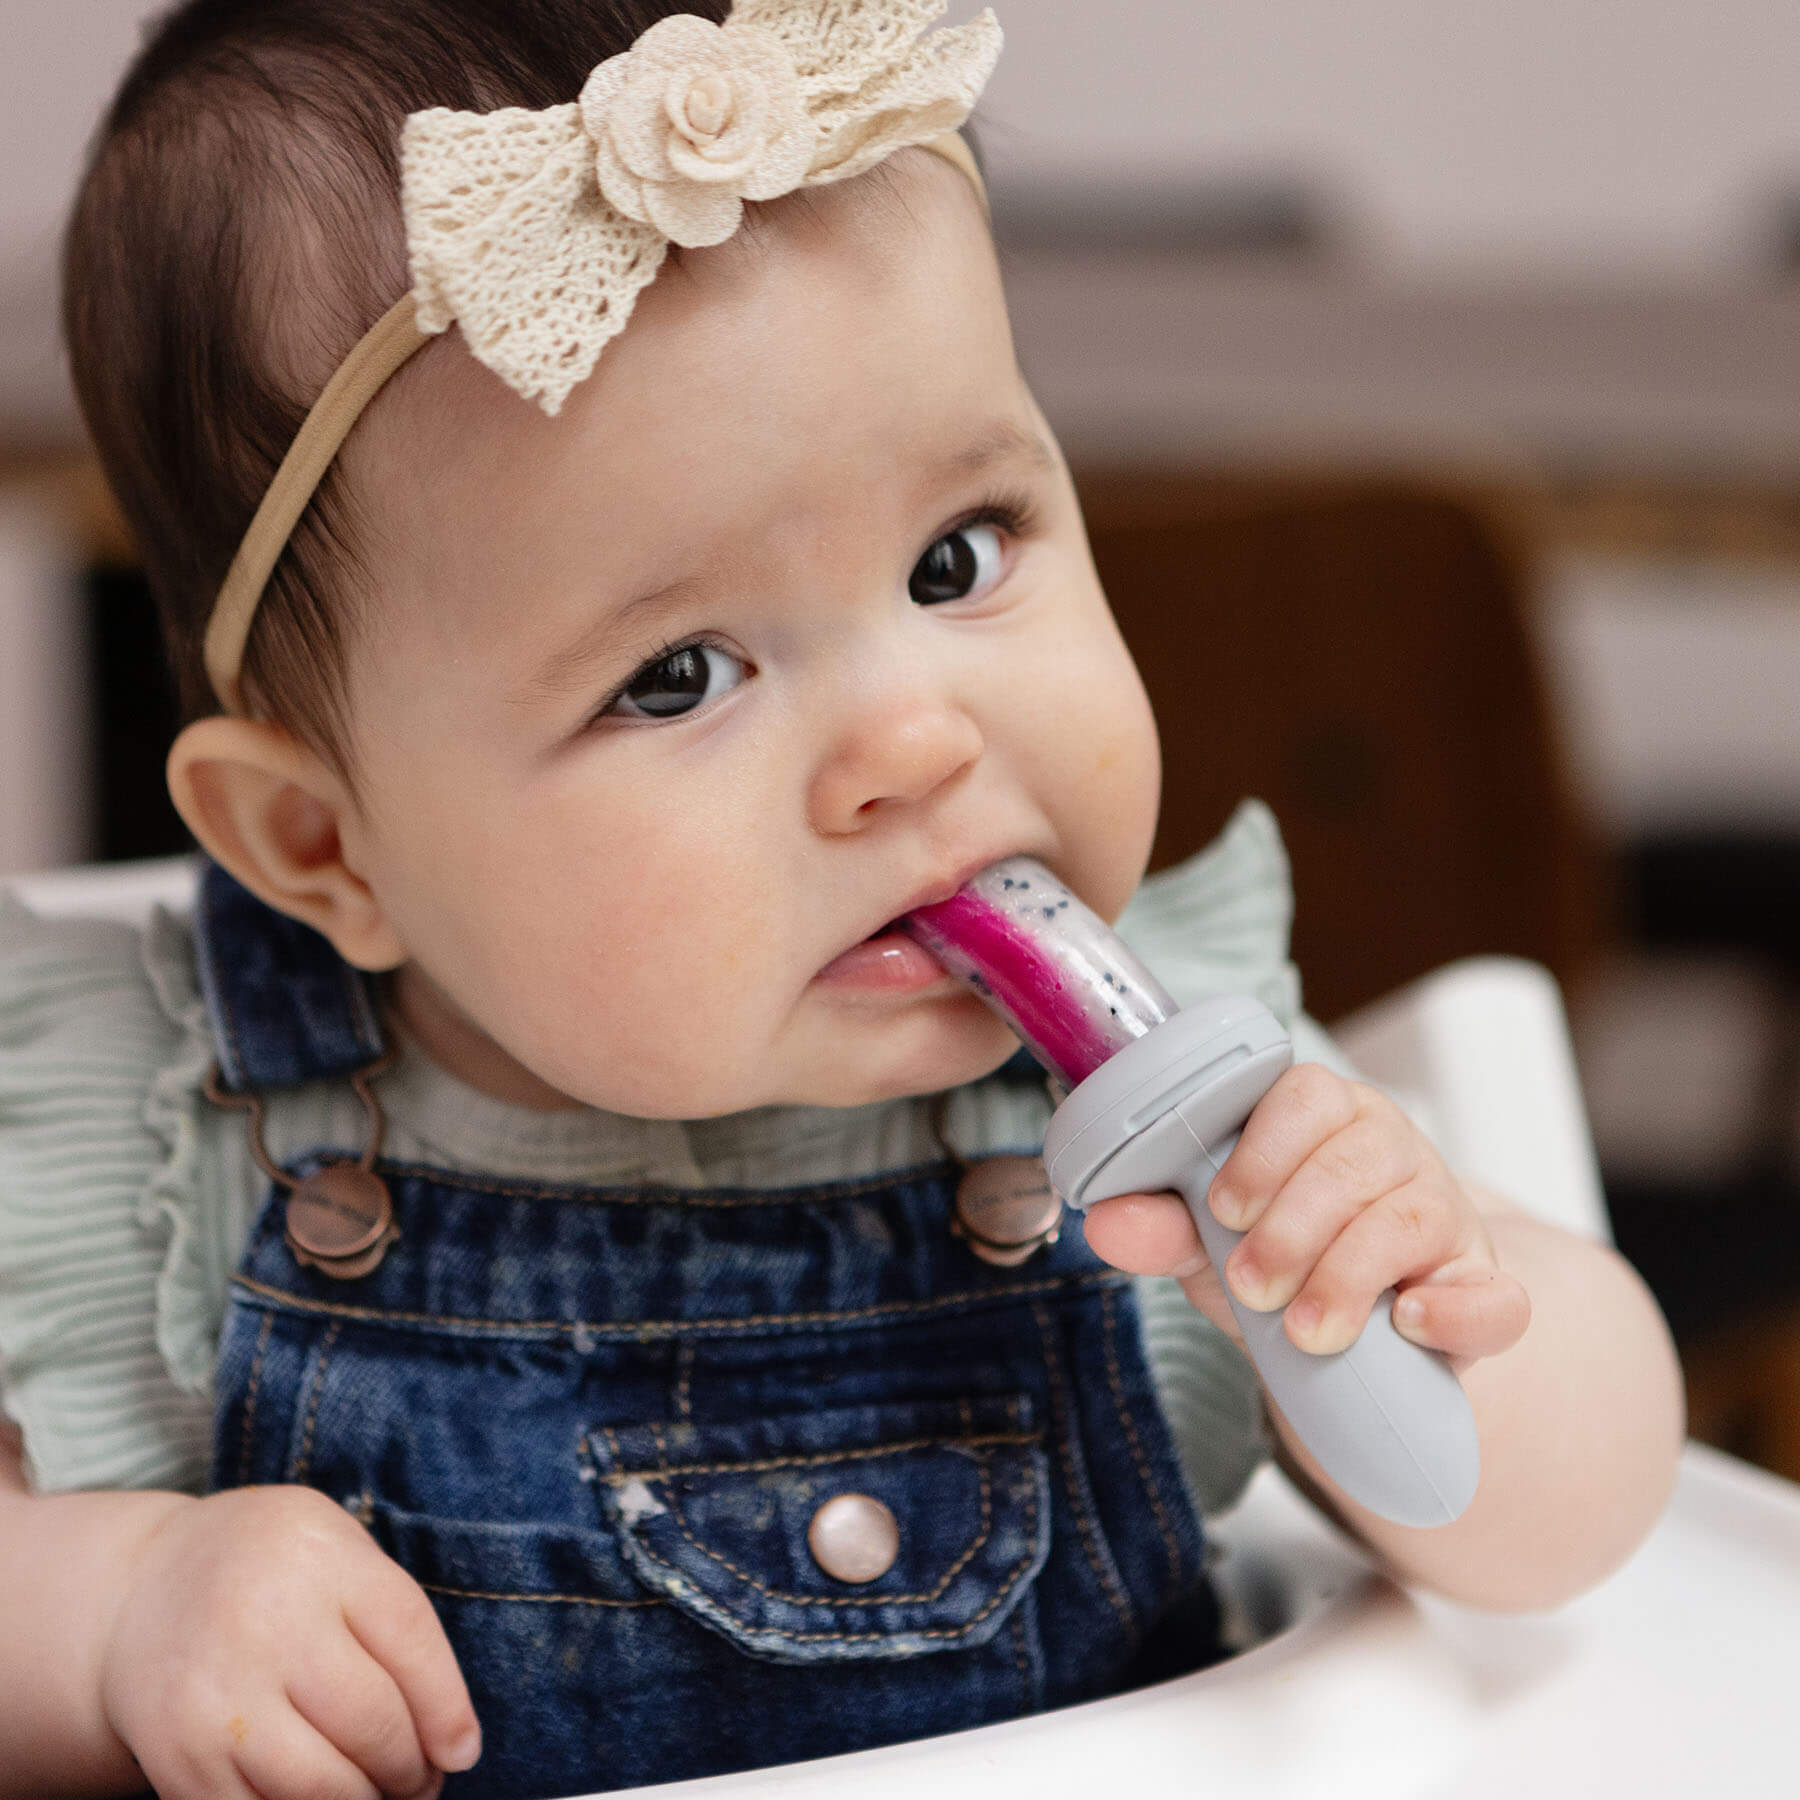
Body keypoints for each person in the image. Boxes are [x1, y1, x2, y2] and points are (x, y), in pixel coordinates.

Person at [0, 2, 1683, 1796]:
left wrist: (1408, 1288)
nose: (909, 741)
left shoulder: (1186, 1125)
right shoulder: (189, 1147)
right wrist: (119, 1616)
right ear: (328, 851)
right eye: (676, 677)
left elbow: (1569, 1542)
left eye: (957, 558)